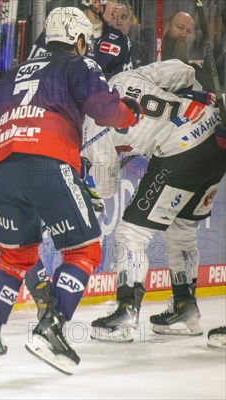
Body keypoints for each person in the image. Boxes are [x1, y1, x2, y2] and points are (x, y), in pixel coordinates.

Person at [0, 7, 142, 373]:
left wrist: (8, 165)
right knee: (84, 251)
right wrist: (129, 112)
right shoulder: (78, 65)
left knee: (14, 259)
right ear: (79, 41)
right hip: (47, 161)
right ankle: (51, 329)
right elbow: (104, 109)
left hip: (2, 166)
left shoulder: (14, 72)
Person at [82, 59, 226, 342]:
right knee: (182, 230)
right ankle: (185, 308)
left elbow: (106, 187)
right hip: (215, 136)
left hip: (181, 150)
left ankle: (126, 312)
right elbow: (184, 71)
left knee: (131, 233)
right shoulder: (127, 76)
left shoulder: (91, 124)